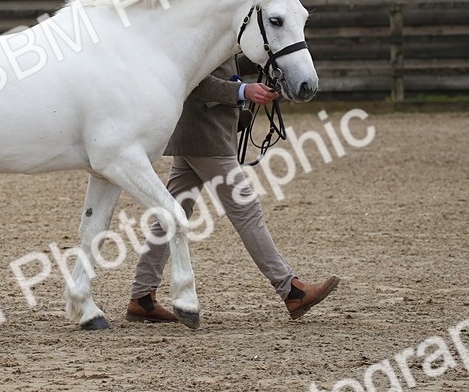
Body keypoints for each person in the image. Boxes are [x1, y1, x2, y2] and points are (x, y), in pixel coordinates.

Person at [126, 56, 339, 323]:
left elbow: (225, 62)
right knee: (246, 210)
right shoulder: (201, 22)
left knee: (171, 215)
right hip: (205, 134)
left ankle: (142, 297)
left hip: (200, 133)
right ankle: (291, 290)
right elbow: (196, 78)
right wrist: (243, 91)